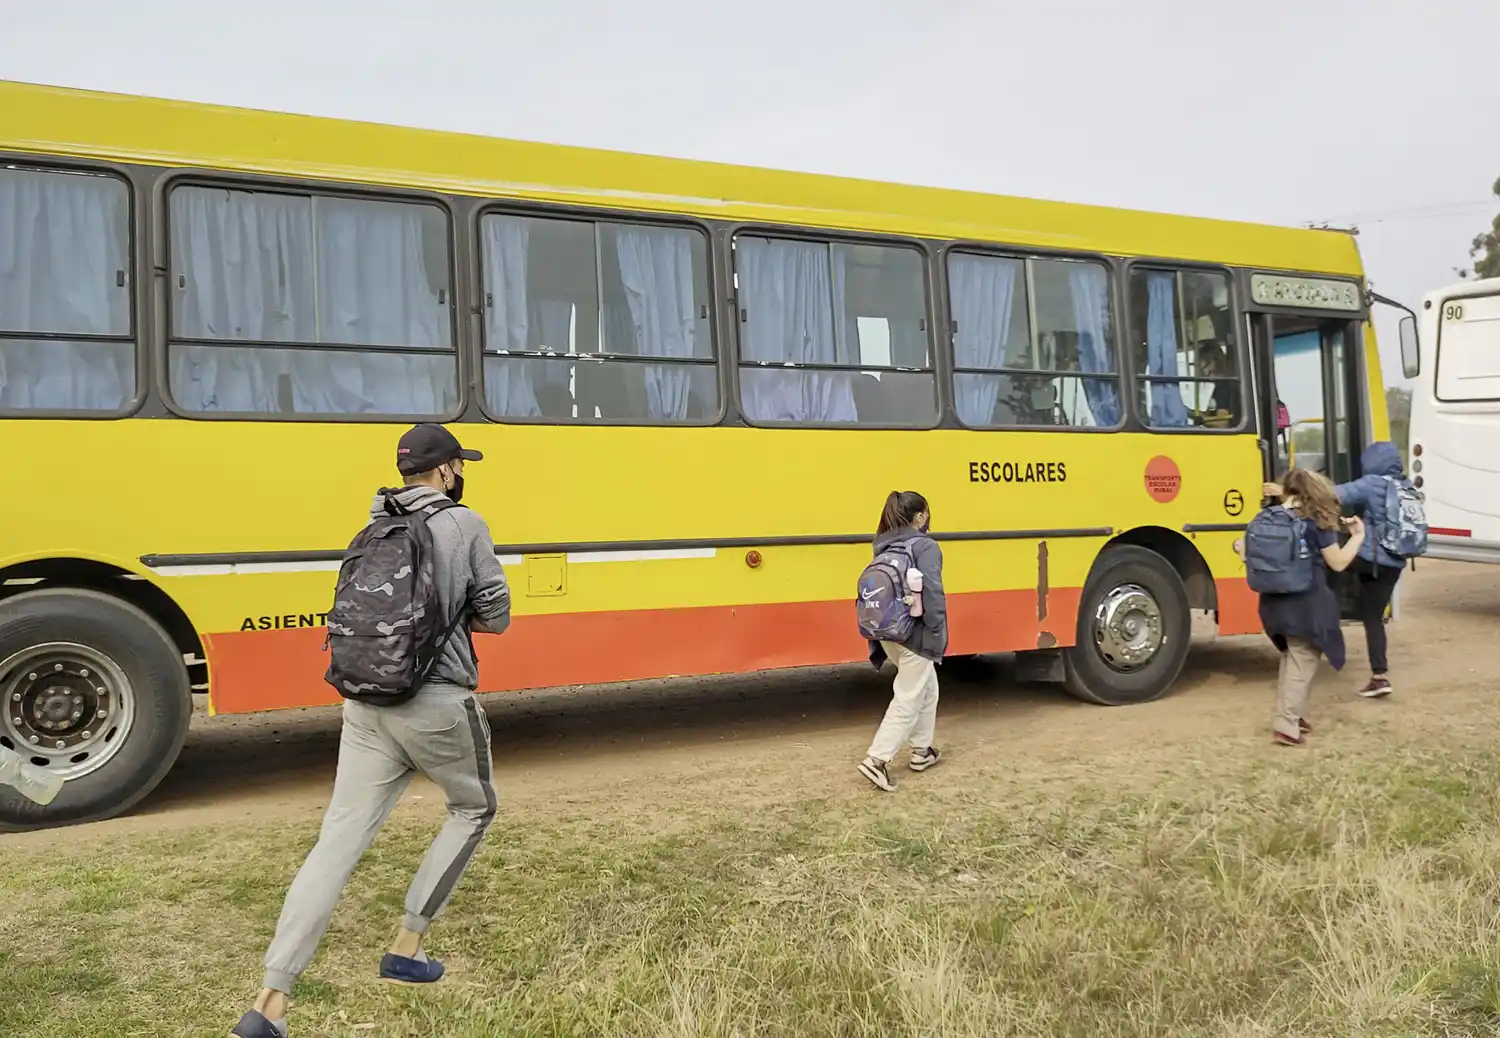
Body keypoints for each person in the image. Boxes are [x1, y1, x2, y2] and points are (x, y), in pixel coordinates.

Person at [232, 423, 512, 1038]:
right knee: (472, 808)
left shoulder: (372, 523)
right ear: (444, 472)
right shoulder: (463, 525)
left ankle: (269, 1003)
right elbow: (497, 616)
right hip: (436, 703)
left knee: (336, 842)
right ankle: (407, 945)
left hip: (364, 705)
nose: (462, 474)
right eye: (460, 465)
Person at [1264, 441, 1409, 698]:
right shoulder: (1405, 486)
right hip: (1395, 562)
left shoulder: (1372, 483)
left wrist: (1285, 492)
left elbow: (1329, 494)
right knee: (1373, 617)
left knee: (1327, 560)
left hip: (1369, 557)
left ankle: (1315, 617)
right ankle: (1379, 676)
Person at [1238, 468, 1365, 747]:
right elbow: (1338, 562)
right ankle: (1286, 725)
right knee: (1302, 659)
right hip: (1306, 603)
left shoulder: (1264, 517)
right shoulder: (1315, 522)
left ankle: (1293, 715)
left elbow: (1242, 549)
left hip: (1272, 602)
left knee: (1293, 658)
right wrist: (1356, 536)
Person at [857, 491, 947, 792]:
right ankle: (877, 759)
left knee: (927, 686)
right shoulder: (925, 546)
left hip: (887, 633)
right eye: (927, 514)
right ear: (919, 516)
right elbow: (933, 593)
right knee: (909, 695)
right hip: (915, 633)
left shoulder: (882, 546)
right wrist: (936, 633)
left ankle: (922, 751)